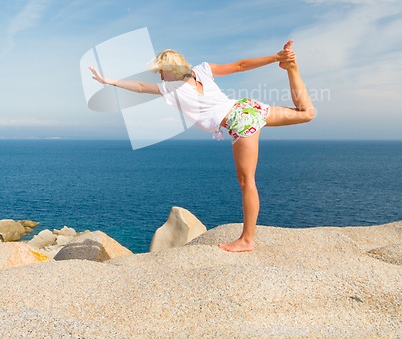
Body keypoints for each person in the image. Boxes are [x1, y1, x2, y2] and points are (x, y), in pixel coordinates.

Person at [88, 39, 315, 253]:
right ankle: (292, 69)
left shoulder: (172, 88)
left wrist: (109, 81)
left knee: (247, 182)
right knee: (307, 113)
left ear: (170, 68)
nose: (159, 74)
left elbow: (139, 86)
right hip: (247, 107)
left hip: (240, 120)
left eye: (161, 70)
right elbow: (240, 66)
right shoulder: (203, 70)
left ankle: (247, 240)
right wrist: (276, 57)